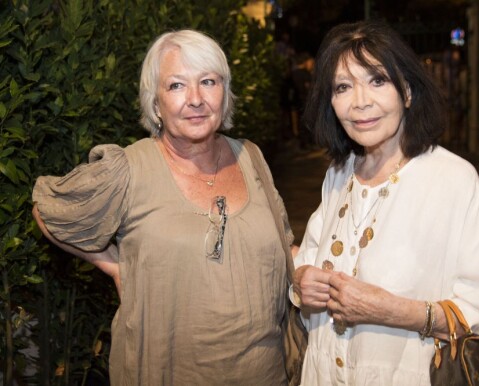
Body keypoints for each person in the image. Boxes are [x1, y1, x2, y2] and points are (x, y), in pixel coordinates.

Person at [32, 30, 295, 385]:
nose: (196, 99)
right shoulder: (128, 168)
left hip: (264, 374)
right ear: (155, 103)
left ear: (225, 93)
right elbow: (47, 209)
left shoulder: (252, 157)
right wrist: (115, 267)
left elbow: (285, 248)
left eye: (208, 81)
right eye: (176, 86)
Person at [292, 20, 479, 385]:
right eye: (343, 87)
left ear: (407, 92)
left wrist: (398, 312)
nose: (361, 101)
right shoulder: (340, 173)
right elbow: (310, 260)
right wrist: (303, 280)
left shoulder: (452, 180)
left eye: (378, 80)